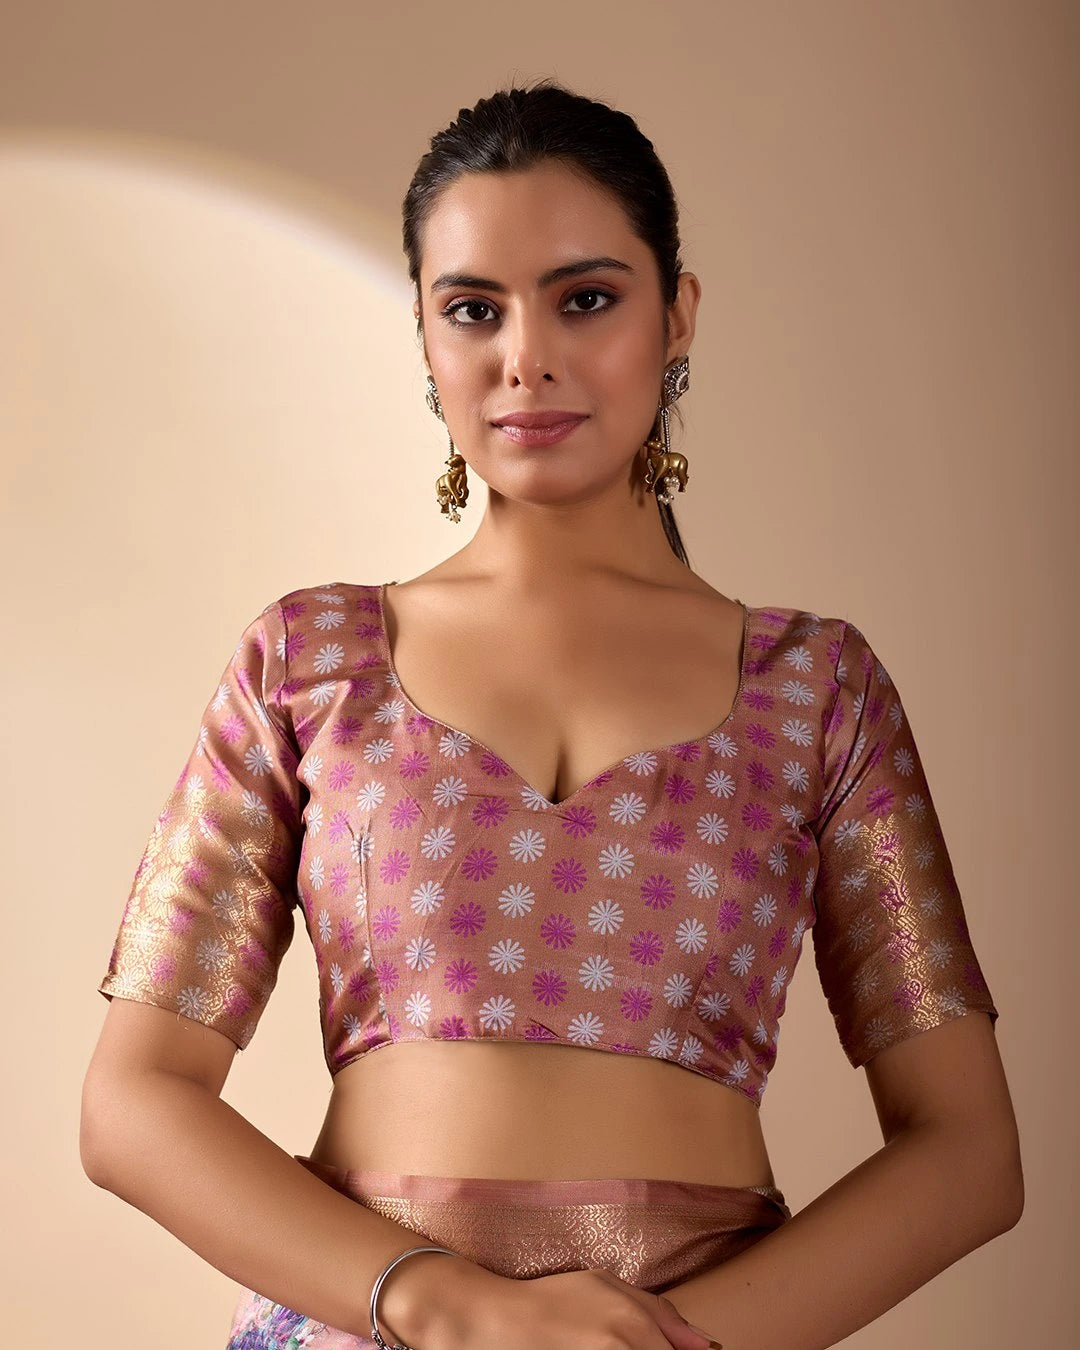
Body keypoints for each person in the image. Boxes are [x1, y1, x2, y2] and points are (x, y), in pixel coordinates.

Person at [81, 79, 1021, 1350]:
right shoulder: (310, 661)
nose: (527, 357)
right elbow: (133, 1104)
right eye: (474, 309)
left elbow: (968, 1153)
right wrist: (445, 1304)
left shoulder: (817, 690)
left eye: (586, 298)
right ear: (423, 336)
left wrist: (668, 1347)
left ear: (677, 313)